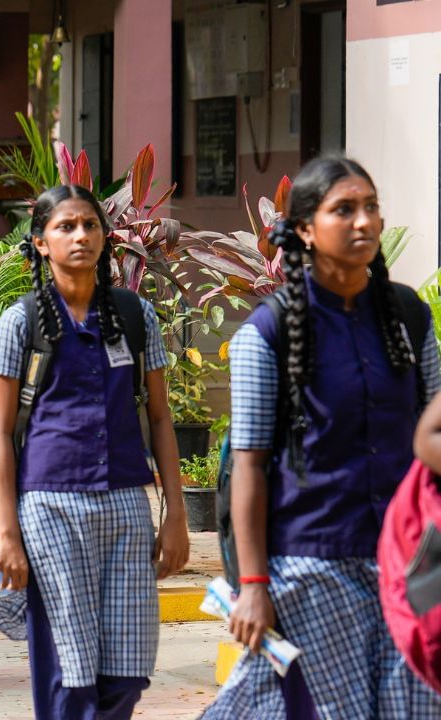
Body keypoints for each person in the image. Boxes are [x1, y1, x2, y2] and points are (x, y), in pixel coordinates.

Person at [203, 157, 441, 718]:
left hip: (408, 560)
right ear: (306, 229)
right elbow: (250, 466)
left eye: (371, 207)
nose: (363, 222)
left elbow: (433, 431)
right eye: (344, 210)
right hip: (314, 563)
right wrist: (254, 583)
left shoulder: (408, 317)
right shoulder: (268, 332)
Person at [0, 185, 188, 719]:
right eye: (66, 227)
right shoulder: (20, 322)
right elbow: (0, 434)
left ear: (106, 236)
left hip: (125, 506)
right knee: (69, 670)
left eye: (90, 225)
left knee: (127, 670)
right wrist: (7, 534)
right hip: (50, 508)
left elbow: (161, 418)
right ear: (41, 243)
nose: (81, 236)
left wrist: (176, 516)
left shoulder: (135, 315)